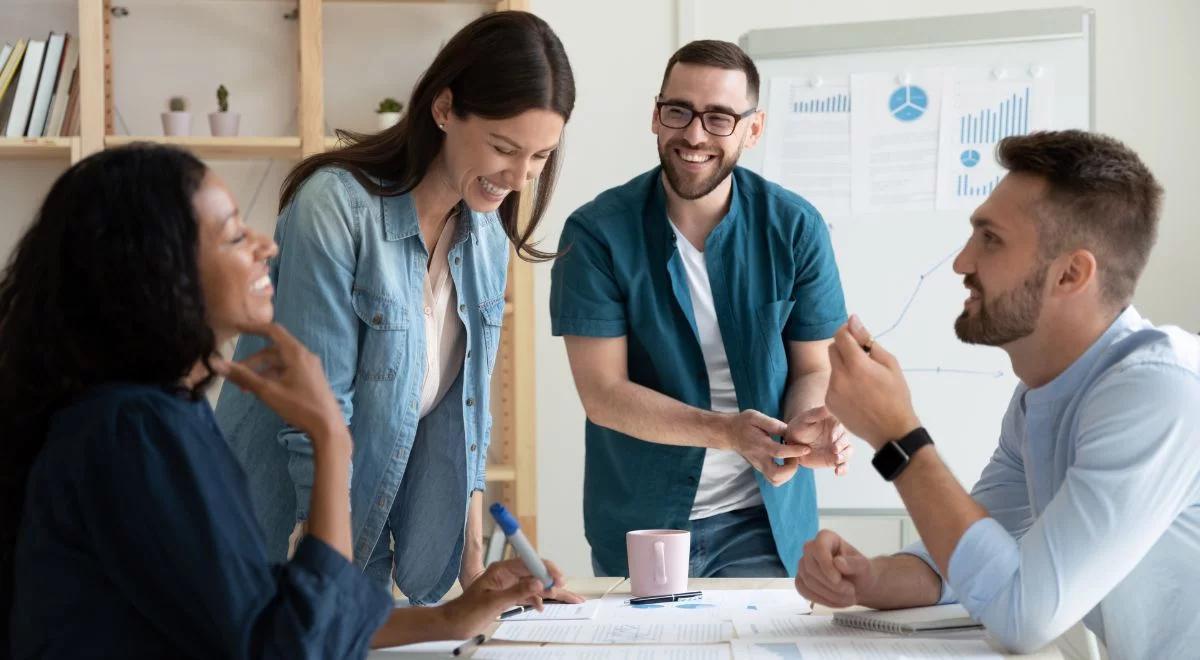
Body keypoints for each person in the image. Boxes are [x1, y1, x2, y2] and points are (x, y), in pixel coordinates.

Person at [0, 144, 575, 658]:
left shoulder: (162, 414)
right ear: (156, 272)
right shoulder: (134, 432)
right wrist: (329, 436)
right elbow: (287, 644)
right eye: (232, 235)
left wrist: (453, 616)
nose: (264, 245)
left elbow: (267, 612)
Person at [214, 10, 575, 602]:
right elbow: (317, 416)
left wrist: (477, 571)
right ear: (443, 109)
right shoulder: (335, 209)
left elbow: (470, 414)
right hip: (278, 541)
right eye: (504, 148)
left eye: (540, 157)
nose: (518, 177)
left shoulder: (484, 234)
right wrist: (328, 586)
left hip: (367, 537)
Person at [799, 130, 1200, 658]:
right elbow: (975, 553)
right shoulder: (1043, 395)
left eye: (990, 239)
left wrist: (897, 435)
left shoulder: (1158, 393)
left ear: (1071, 274)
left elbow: (1020, 614)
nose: (962, 263)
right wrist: (870, 579)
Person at [549, 40, 852, 580]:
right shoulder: (596, 233)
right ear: (656, 115)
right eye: (679, 111)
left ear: (752, 131)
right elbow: (604, 396)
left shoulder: (796, 227)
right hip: (642, 523)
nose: (694, 134)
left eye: (719, 118)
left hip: (763, 519)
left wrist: (801, 428)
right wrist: (728, 432)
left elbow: (814, 366)